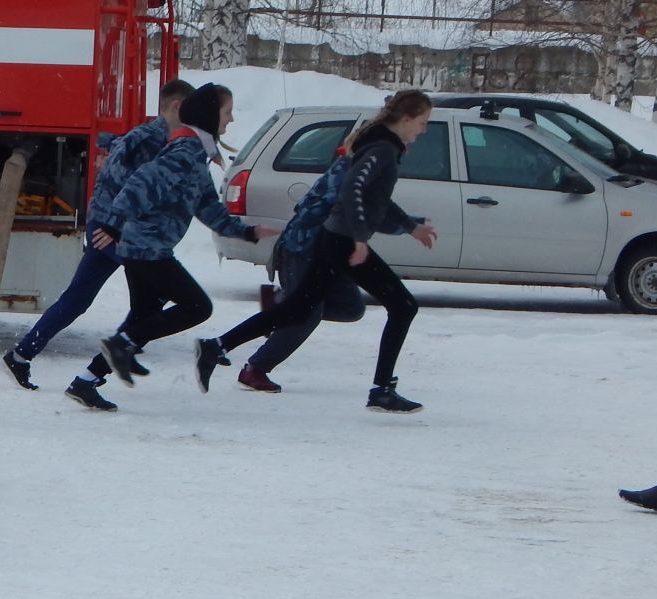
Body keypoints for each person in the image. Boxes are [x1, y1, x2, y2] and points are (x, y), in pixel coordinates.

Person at [196, 90, 435, 412]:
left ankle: (216, 346)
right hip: (338, 240)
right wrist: (360, 238)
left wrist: (410, 227)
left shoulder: (377, 145)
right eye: (422, 123)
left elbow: (375, 200)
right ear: (406, 119)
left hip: (332, 237)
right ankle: (381, 390)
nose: (423, 130)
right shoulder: (382, 149)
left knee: (302, 308)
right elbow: (352, 190)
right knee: (402, 305)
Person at [59, 83, 275, 410]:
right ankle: (121, 346)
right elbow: (141, 183)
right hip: (146, 248)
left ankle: (86, 381)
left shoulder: (195, 155)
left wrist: (247, 233)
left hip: (143, 246)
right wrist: (113, 223)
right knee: (197, 307)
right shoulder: (185, 154)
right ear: (208, 115)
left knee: (144, 318)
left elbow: (207, 207)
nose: (230, 120)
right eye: (227, 112)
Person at [0, 77, 194, 390]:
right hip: (115, 231)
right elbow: (114, 182)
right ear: (177, 107)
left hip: (115, 229)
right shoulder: (146, 139)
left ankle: (21, 356)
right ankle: (116, 354)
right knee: (152, 296)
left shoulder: (167, 141)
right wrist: (110, 225)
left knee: (79, 298)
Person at [232, 134, 436, 393]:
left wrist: (409, 224)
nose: (406, 148)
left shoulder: (361, 168)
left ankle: (281, 305)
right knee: (306, 314)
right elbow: (370, 213)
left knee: (350, 308)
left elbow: (377, 206)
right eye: (404, 141)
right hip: (303, 248)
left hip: (330, 251)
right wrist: (410, 226)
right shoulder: (350, 173)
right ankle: (255, 369)